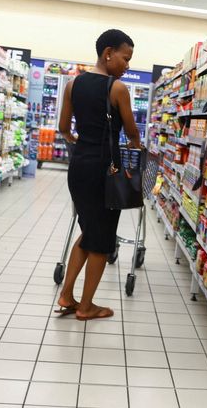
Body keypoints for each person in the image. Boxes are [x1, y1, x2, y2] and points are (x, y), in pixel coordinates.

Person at [55, 29, 143, 321]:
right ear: (108, 53)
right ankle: (86, 306)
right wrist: (135, 145)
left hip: (79, 167)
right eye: (125, 57)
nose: (127, 65)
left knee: (89, 231)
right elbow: (131, 132)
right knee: (102, 240)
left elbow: (64, 128)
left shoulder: (72, 84)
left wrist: (83, 143)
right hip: (106, 170)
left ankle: (67, 294)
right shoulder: (117, 89)